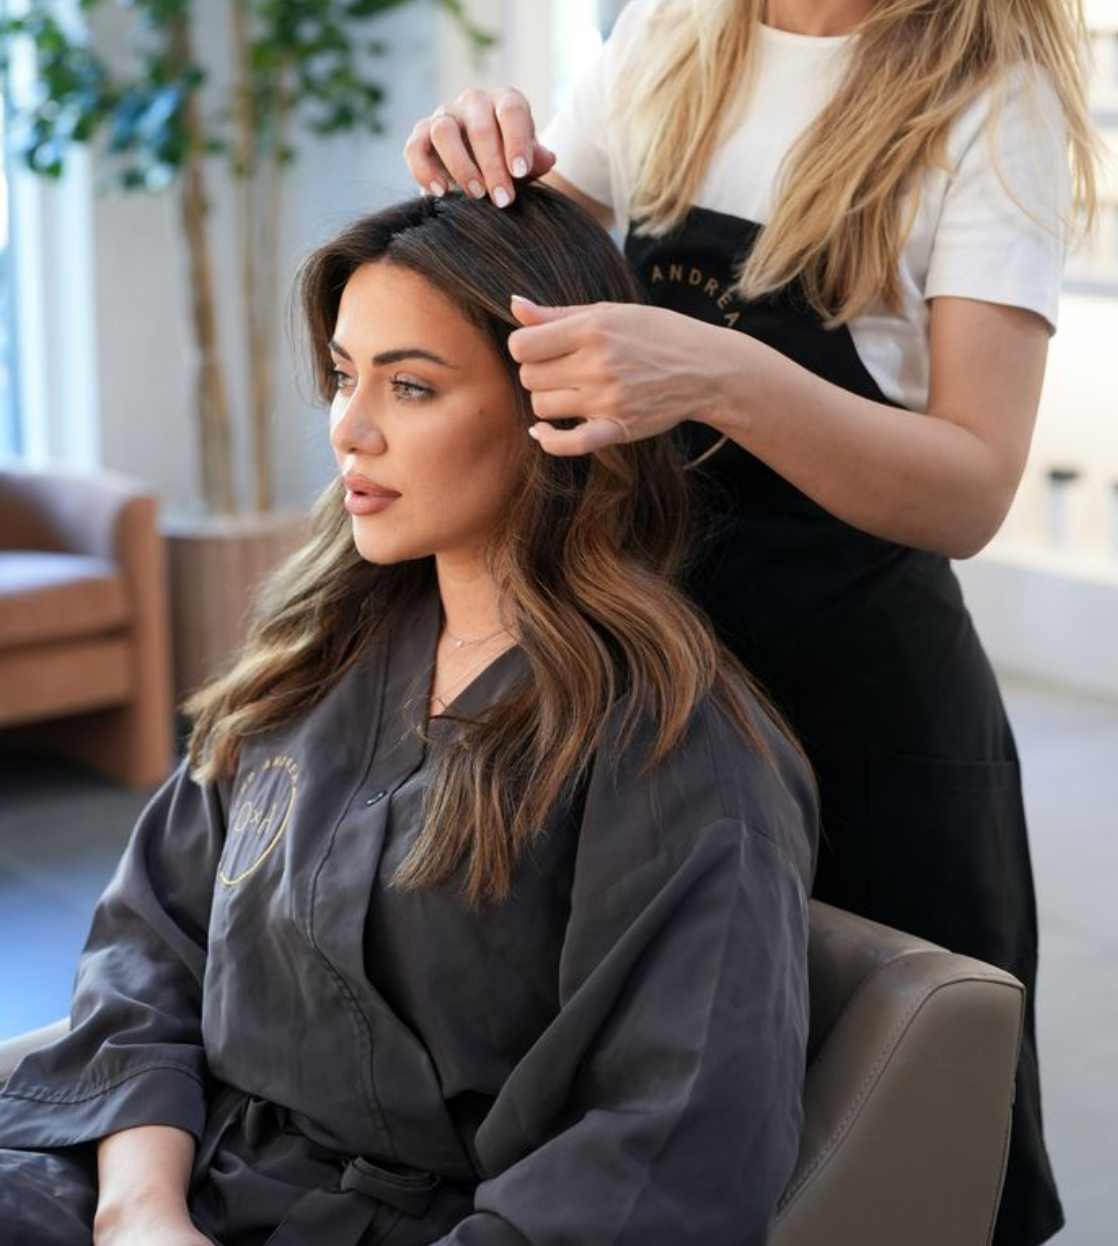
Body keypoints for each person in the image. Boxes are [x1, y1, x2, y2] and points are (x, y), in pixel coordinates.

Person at [403, 0, 1100, 1246]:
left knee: (896, 1170)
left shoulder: (982, 111)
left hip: (867, 726)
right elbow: (504, 336)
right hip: (651, 701)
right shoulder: (659, 48)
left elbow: (970, 486)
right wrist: (465, 184)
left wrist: (717, 371)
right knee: (662, 1161)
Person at [0, 187, 817, 1246]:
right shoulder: (313, 658)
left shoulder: (674, 751)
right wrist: (139, 1211)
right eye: (344, 376)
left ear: (551, 411)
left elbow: (664, 1148)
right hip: (165, 1178)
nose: (349, 426)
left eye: (412, 387)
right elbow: (150, 944)